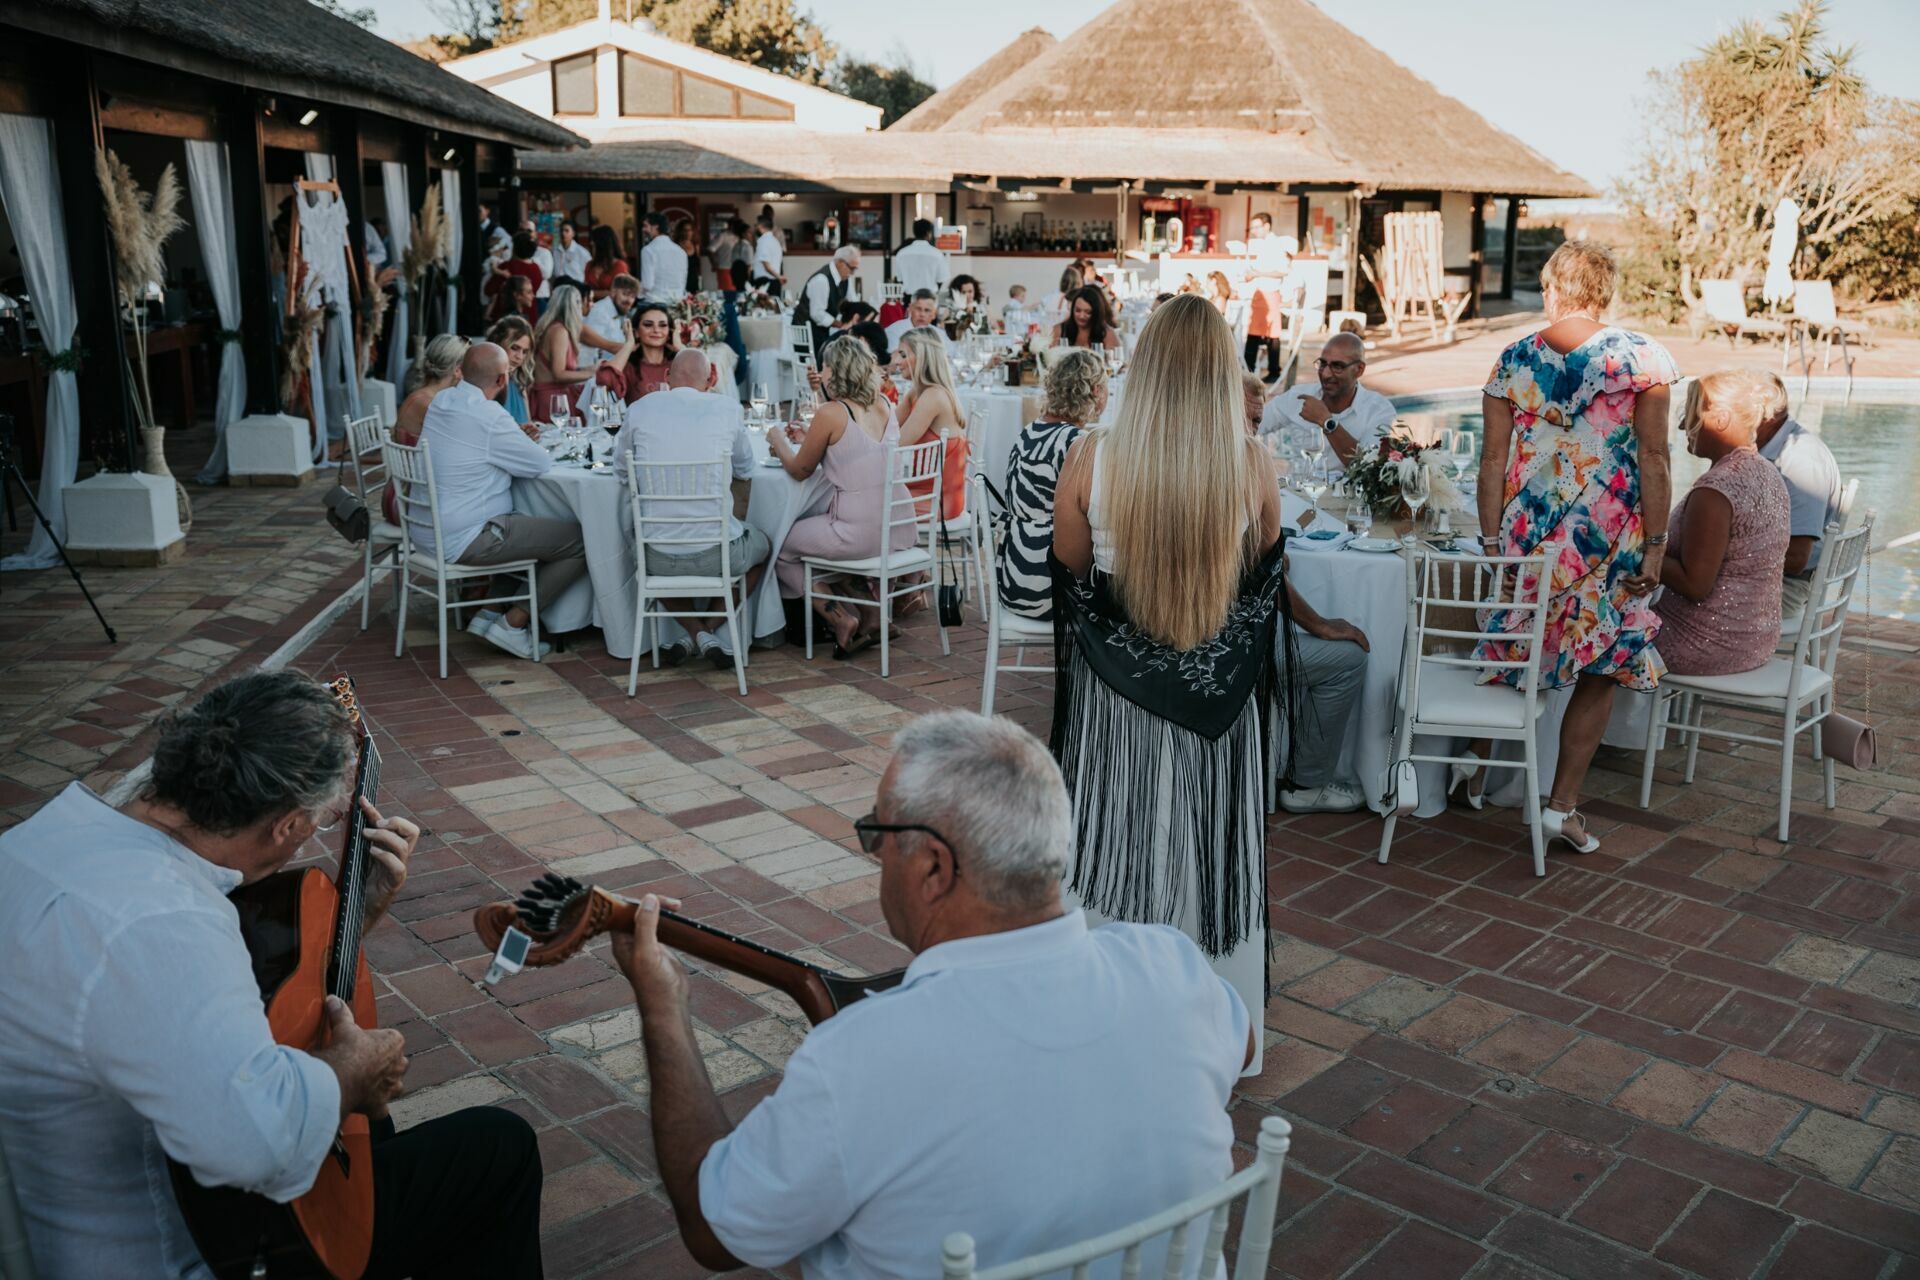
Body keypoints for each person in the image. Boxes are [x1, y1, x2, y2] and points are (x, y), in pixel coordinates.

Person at [612, 710, 1252, 1278]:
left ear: (933, 868)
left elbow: (714, 1230)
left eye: (878, 837)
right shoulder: (1170, 966)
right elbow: (1241, 1039)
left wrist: (662, 1005)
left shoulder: (859, 1060)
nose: (875, 858)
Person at [0, 670, 544, 1279]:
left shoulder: (48, 836)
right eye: (318, 821)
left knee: (378, 1150)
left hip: (64, 1198)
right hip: (185, 1247)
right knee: (499, 1147)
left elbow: (205, 1008)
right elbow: (255, 1146)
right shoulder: (167, 921)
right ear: (286, 825)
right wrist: (350, 1073)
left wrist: (352, 917)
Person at [1050, 295, 1287, 1071]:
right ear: (1225, 371)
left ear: (1142, 368)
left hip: (1116, 699)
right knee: (1208, 847)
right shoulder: (1252, 463)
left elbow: (1074, 579)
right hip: (1219, 709)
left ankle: (1110, 1029)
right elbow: (1261, 581)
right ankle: (1218, 1034)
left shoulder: (1089, 457)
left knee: (1121, 844)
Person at [1468, 240, 1677, 854]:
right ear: (1604, 291)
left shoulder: (1514, 359)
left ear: (1551, 289)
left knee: (1514, 650)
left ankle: (1472, 770)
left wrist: (1490, 542)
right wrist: (1658, 545)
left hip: (1529, 537)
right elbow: (1656, 457)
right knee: (1602, 667)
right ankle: (1561, 808)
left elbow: (1491, 461)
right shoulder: (1643, 357)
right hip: (1609, 540)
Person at [412, 343, 587, 660]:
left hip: (426, 532)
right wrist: (515, 438)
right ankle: (513, 623)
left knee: (525, 521)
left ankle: (488, 613)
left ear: (461, 371)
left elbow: (475, 445)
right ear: (503, 380)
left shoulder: (443, 400)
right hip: (466, 538)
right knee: (579, 540)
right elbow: (539, 464)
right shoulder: (489, 415)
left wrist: (511, 438)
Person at [614, 347, 771, 669]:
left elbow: (620, 471)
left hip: (656, 557)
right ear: (711, 378)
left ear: (667, 377)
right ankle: (707, 632)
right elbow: (745, 468)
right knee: (764, 547)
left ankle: (694, 634)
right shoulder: (727, 409)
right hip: (719, 555)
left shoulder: (639, 409)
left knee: (642, 551)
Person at [767, 335, 917, 657]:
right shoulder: (886, 404)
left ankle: (841, 618)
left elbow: (799, 469)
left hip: (857, 532)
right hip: (898, 524)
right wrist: (811, 437)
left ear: (835, 370)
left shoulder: (831, 412)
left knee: (780, 546)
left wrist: (777, 439)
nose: (821, 372)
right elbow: (858, 451)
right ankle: (875, 616)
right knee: (818, 537)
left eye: (825, 366)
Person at [1650, 370, 1791, 674]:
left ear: (1720, 419)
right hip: (1754, 639)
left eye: (1689, 413)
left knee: (1592, 636)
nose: (1682, 425)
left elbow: (1695, 584)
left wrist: (1636, 548)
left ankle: (1569, 718)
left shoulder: (1715, 491)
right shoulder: (1767, 471)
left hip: (1705, 643)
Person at [997, 349, 1106, 619]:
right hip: (1050, 588)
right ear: (1095, 390)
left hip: (1013, 581)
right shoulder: (1075, 443)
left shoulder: (1030, 431)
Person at [1756, 371, 1843, 622]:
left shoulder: (1800, 460)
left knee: (1675, 611)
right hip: (1773, 577)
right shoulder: (1773, 448)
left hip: (1788, 585)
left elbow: (1795, 559)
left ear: (1762, 414)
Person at [1257, 331, 1395, 471]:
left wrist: (1327, 422)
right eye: (1322, 364)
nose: (1326, 374)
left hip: (1349, 493)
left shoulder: (1379, 410)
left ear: (1359, 370)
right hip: (1297, 492)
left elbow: (1367, 467)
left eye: (1337, 366)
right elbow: (1251, 425)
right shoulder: (1298, 397)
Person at [384, 334, 470, 523]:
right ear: (457, 370)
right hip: (408, 505)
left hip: (406, 495)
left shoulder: (426, 396)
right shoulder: (430, 405)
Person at [532, 283, 612, 418]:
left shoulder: (555, 328)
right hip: (553, 400)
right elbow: (559, 374)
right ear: (575, 305)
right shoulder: (559, 331)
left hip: (557, 396)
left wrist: (589, 368)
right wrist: (592, 373)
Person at [1242, 211, 1299, 381]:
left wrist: (1258, 273)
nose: (1254, 231)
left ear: (1267, 226)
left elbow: (1283, 271)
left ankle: (1269, 370)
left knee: (1271, 333)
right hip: (1261, 293)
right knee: (1257, 332)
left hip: (1270, 293)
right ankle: (1251, 368)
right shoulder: (1265, 245)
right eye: (1252, 228)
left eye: (1257, 227)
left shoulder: (1275, 244)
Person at [596, 300, 677, 404]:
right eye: (648, 325)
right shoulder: (629, 367)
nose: (656, 330)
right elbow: (604, 381)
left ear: (670, 332)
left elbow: (703, 383)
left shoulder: (677, 365)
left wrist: (681, 348)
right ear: (637, 332)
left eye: (662, 325)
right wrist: (628, 345)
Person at [798, 245, 861, 361]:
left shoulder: (846, 279)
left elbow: (853, 302)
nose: (853, 273)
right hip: (809, 336)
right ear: (841, 263)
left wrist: (857, 317)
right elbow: (817, 314)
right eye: (852, 268)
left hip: (823, 333)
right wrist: (841, 325)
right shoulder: (822, 279)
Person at [486, 313, 538, 428]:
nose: (519, 357)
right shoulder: (484, 381)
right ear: (498, 342)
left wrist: (530, 431)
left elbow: (527, 423)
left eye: (524, 352)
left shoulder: (519, 380)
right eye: (515, 348)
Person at [582, 272, 641, 365]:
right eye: (625, 294)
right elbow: (592, 347)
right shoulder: (600, 311)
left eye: (633, 296)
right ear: (613, 292)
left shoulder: (619, 311)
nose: (629, 300)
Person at [884, 289, 955, 361]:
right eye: (918, 309)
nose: (922, 314)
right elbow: (897, 359)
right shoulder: (895, 331)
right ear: (910, 308)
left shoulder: (939, 334)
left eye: (927, 310)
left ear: (934, 314)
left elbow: (952, 356)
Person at [1050, 285, 1120, 352]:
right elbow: (1051, 358)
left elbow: (1115, 360)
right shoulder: (1060, 330)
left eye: (1088, 312)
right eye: (1078, 310)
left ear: (1096, 313)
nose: (1081, 316)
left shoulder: (1107, 333)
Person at [640, 210, 689, 303]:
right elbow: (683, 283)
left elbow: (647, 285)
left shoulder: (648, 250)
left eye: (645, 226)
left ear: (655, 226)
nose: (643, 229)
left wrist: (636, 291)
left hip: (655, 304)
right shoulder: (681, 251)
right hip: (677, 305)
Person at [892, 217, 949, 297]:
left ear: (914, 232)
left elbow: (899, 279)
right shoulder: (937, 254)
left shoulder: (902, 253)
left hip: (909, 298)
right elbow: (941, 279)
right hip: (930, 297)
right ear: (928, 233)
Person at [487, 232, 543, 311]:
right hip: (530, 313)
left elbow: (489, 289)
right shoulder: (536, 269)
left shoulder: (506, 267)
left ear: (515, 248)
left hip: (507, 314)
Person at [584, 224, 629, 299]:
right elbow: (584, 291)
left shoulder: (619, 266)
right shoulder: (589, 265)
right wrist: (605, 293)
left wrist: (592, 293)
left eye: (594, 241)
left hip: (611, 309)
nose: (591, 244)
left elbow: (618, 294)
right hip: (591, 308)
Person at [552, 219, 591, 289]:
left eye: (567, 231)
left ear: (573, 234)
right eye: (561, 231)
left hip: (576, 290)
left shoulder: (582, 253)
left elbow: (588, 275)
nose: (563, 233)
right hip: (558, 290)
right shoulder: (555, 251)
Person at [752, 212, 785, 290]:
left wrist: (779, 277)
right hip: (774, 281)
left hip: (765, 283)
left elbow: (767, 266)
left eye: (756, 225)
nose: (755, 228)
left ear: (760, 226)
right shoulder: (775, 242)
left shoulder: (763, 241)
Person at [529, 228, 555, 311]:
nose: (526, 233)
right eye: (522, 230)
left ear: (535, 233)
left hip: (540, 296)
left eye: (529, 231)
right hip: (521, 297)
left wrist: (533, 261)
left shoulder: (544, 252)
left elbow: (547, 274)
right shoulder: (514, 252)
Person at [674, 218, 702, 293]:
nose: (688, 232)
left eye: (690, 230)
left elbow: (699, 267)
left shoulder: (696, 246)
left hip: (693, 281)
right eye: (685, 230)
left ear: (693, 231)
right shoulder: (676, 246)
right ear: (680, 231)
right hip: (680, 281)